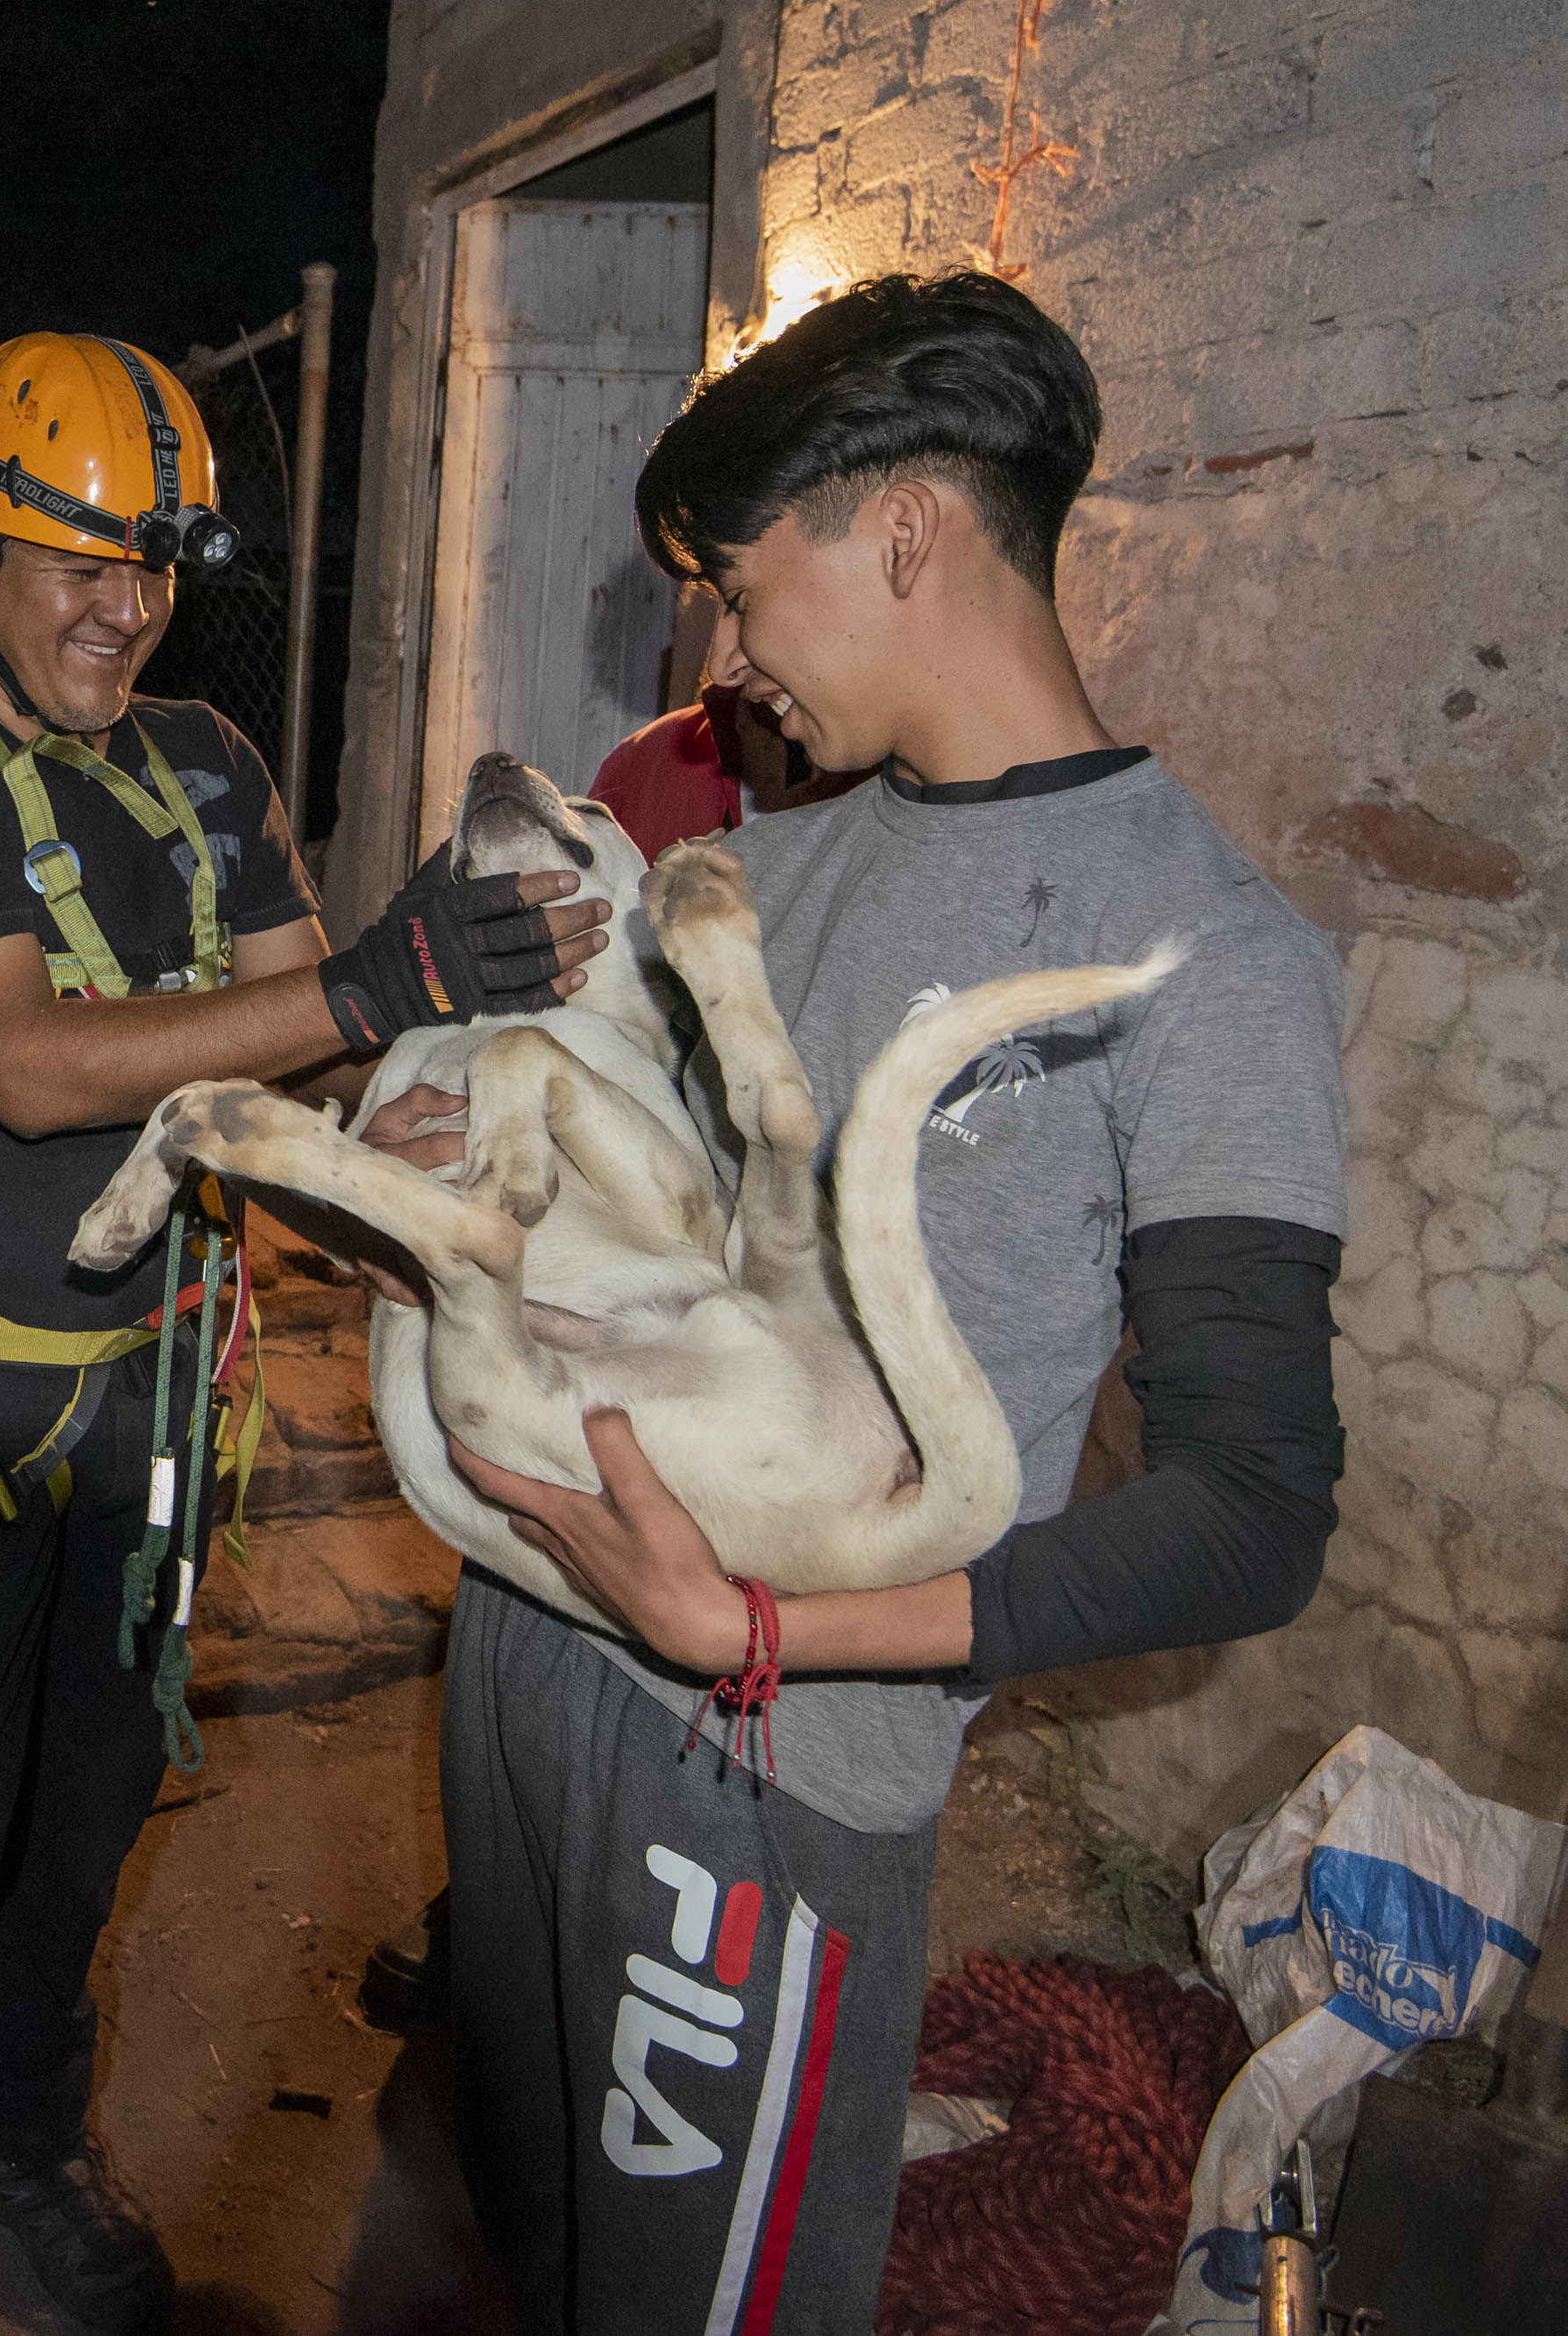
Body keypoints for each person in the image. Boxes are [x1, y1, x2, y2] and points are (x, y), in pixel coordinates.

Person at [412, 273, 1345, 2333]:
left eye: (741, 588)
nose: (725, 658)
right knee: (532, 2233)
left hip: (768, 1754)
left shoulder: (1205, 958)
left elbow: (1254, 1506)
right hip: (520, 1664)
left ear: (903, 531)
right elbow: (594, 1203)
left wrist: (764, 1632)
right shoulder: (766, 872)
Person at [0, 329, 613, 2336]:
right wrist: (380, 982)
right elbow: (32, 1067)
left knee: (84, 1834)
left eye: (149, 567)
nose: (123, 607)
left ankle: (18, 2153)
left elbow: (312, 1067)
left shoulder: (206, 763)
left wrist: (431, 1211)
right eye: (75, 560)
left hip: (156, 1409)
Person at [587, 635, 873, 861]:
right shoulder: (645, 759)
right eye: (723, 603)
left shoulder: (902, 779)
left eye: (746, 602)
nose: (719, 666)